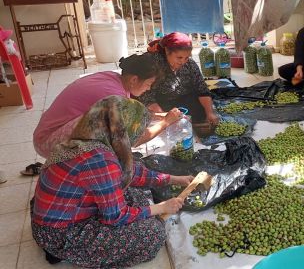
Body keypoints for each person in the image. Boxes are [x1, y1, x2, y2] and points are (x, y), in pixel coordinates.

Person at [31, 96, 193, 267]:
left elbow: (130, 173)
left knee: (134, 193)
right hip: (59, 233)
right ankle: (68, 252)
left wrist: (173, 179)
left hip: (62, 210)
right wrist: (162, 207)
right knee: (153, 233)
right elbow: (115, 217)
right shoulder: (100, 160)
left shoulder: (88, 138)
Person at [33, 53, 182, 159]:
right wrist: (165, 122)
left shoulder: (114, 78)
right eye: (149, 84)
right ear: (135, 79)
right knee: (116, 142)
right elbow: (134, 139)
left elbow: (132, 115)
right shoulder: (113, 96)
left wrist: (159, 116)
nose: (149, 89)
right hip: (48, 142)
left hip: (47, 132)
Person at [139, 32, 219, 127]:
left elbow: (202, 89)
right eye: (179, 57)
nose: (183, 62)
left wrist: (209, 113)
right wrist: (166, 120)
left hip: (185, 101)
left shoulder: (190, 64)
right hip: (162, 106)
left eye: (187, 57)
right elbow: (147, 99)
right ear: (167, 51)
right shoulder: (153, 65)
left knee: (203, 114)